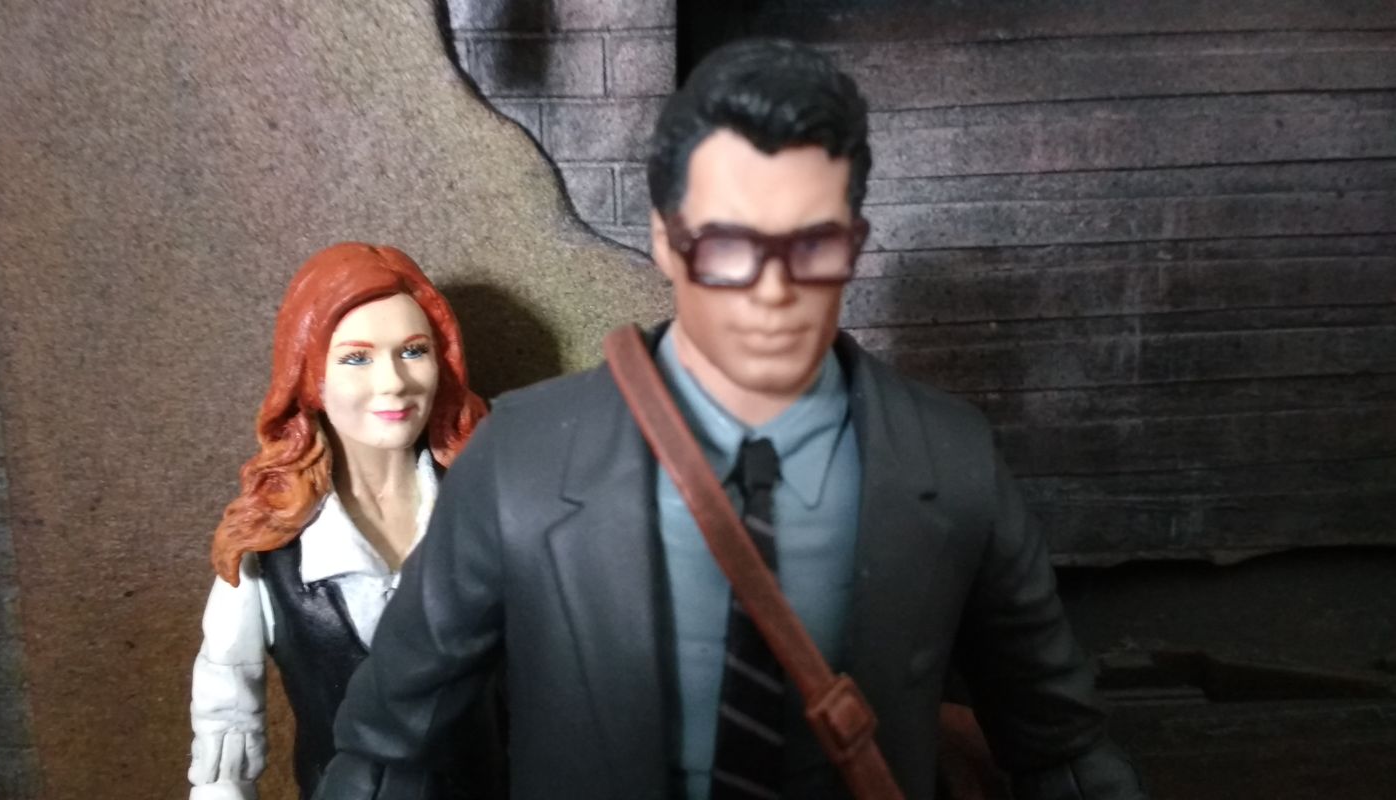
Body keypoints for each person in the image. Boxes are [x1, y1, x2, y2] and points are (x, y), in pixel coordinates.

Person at [316, 40, 1147, 800]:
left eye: (812, 244)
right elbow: (388, 750)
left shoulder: (951, 460)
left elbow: (1061, 748)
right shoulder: (522, 459)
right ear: (666, 241)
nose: (772, 291)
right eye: (727, 246)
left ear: (855, 244)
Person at [187, 242, 495, 800]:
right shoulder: (269, 550)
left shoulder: (491, 513)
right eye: (357, 358)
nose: (393, 382)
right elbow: (225, 735)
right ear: (311, 378)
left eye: (413, 351)